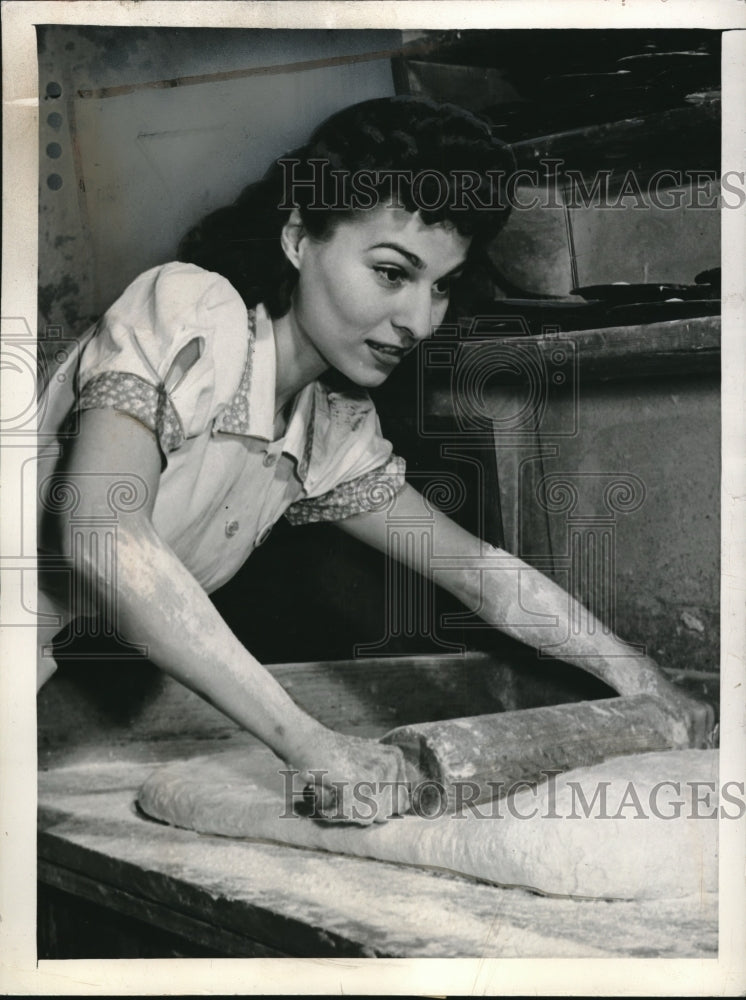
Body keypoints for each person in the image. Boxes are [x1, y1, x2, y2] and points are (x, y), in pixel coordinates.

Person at [36, 96, 710, 823]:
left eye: (441, 286)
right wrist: (312, 745)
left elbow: (482, 576)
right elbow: (102, 533)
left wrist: (651, 686)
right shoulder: (191, 311)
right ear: (298, 236)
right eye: (392, 272)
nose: (419, 321)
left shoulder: (327, 430)